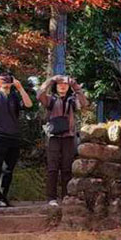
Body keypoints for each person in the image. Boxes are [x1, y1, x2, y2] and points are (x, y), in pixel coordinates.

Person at [0, 73, 33, 207]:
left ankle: (2, 198)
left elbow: (28, 105)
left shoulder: (14, 96)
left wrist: (20, 88)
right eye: (3, 80)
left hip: (14, 136)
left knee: (8, 170)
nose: (6, 82)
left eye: (8, 80)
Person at [37, 74, 89, 206]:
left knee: (67, 167)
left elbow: (84, 104)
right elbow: (39, 95)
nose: (62, 86)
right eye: (59, 84)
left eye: (65, 84)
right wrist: (51, 80)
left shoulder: (72, 100)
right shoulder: (51, 100)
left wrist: (76, 86)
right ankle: (51, 198)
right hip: (54, 136)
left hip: (69, 136)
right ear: (55, 86)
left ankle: (66, 196)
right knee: (52, 168)